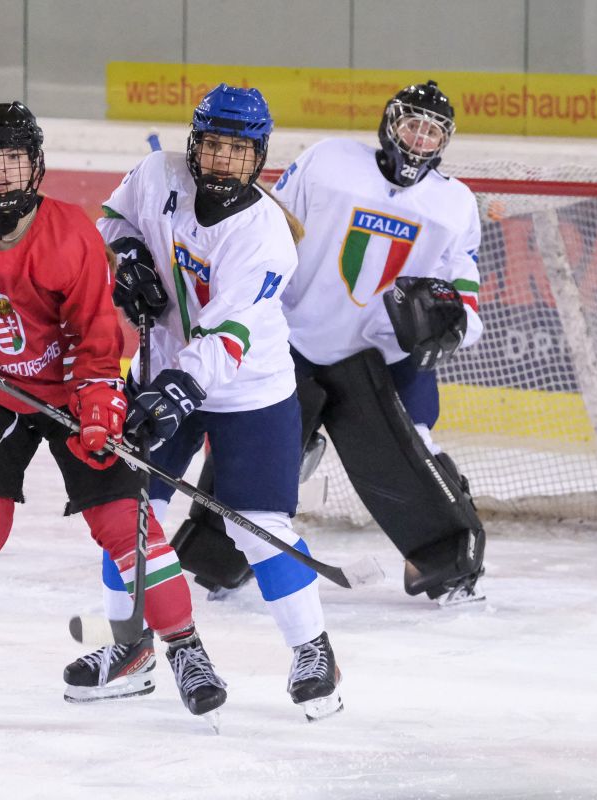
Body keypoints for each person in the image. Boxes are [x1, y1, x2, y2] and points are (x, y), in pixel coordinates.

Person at [0, 101, 226, 720]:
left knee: (127, 523)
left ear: (36, 166)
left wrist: (97, 404)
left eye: (14, 160)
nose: (2, 174)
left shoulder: (69, 234)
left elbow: (96, 340)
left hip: (71, 393)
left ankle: (185, 648)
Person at [81, 83, 343, 722]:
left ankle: (315, 652)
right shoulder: (157, 173)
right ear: (194, 143)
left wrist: (176, 389)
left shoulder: (266, 237)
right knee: (127, 512)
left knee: (258, 527)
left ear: (260, 157)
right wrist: (128, 258)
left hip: (250, 390)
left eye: (239, 150)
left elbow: (228, 336)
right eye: (214, 145)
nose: (224, 160)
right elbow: (113, 220)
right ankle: (131, 650)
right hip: (166, 368)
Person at [174, 80, 487, 606]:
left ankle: (449, 567)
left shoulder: (454, 204)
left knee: (410, 454)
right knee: (250, 453)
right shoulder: (329, 162)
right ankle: (220, 559)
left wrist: (455, 324)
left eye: (432, 132)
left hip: (379, 355)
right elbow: (269, 221)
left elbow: (463, 288)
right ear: (389, 124)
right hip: (290, 336)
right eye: (412, 124)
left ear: (445, 141)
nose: (420, 138)